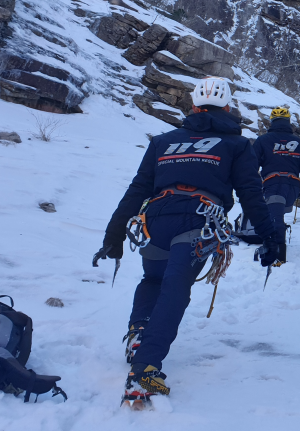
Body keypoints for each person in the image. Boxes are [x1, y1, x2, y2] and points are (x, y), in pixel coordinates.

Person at [93, 77, 278, 402]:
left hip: (155, 219)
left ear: (193, 106)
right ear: (228, 107)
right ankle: (144, 371)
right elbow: (251, 194)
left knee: (153, 280)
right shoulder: (237, 145)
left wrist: (114, 234)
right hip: (199, 220)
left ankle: (139, 335)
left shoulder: (163, 141)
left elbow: (138, 189)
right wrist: (270, 236)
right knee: (175, 288)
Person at [249, 107, 300, 262]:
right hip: (293, 186)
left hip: (274, 183)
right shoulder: (299, 143)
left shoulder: (263, 140)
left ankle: (278, 257)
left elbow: (251, 165)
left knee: (275, 218)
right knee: (276, 214)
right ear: (288, 121)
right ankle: (275, 243)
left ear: (272, 121)